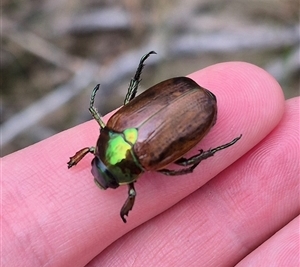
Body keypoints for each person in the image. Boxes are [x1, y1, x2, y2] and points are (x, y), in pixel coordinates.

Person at [2, 61, 299, 266]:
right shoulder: (112, 127)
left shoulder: (138, 164)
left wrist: (126, 202)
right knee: (180, 165)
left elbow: (138, 186)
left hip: (190, 102)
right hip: (191, 107)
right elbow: (97, 139)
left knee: (180, 166)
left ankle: (216, 148)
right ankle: (215, 149)